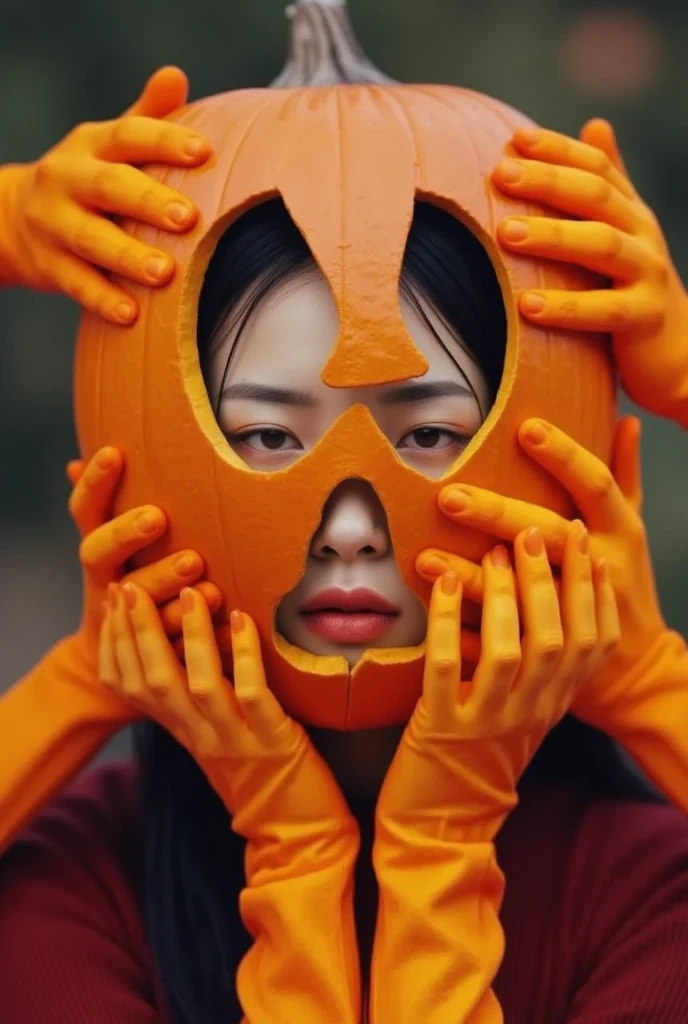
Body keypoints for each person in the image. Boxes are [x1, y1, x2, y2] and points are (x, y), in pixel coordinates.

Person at [1, 61, 688, 1024]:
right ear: (129, 464)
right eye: (271, 437)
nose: (351, 530)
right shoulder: (76, 879)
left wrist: (643, 673)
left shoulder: (654, 889)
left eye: (431, 436)